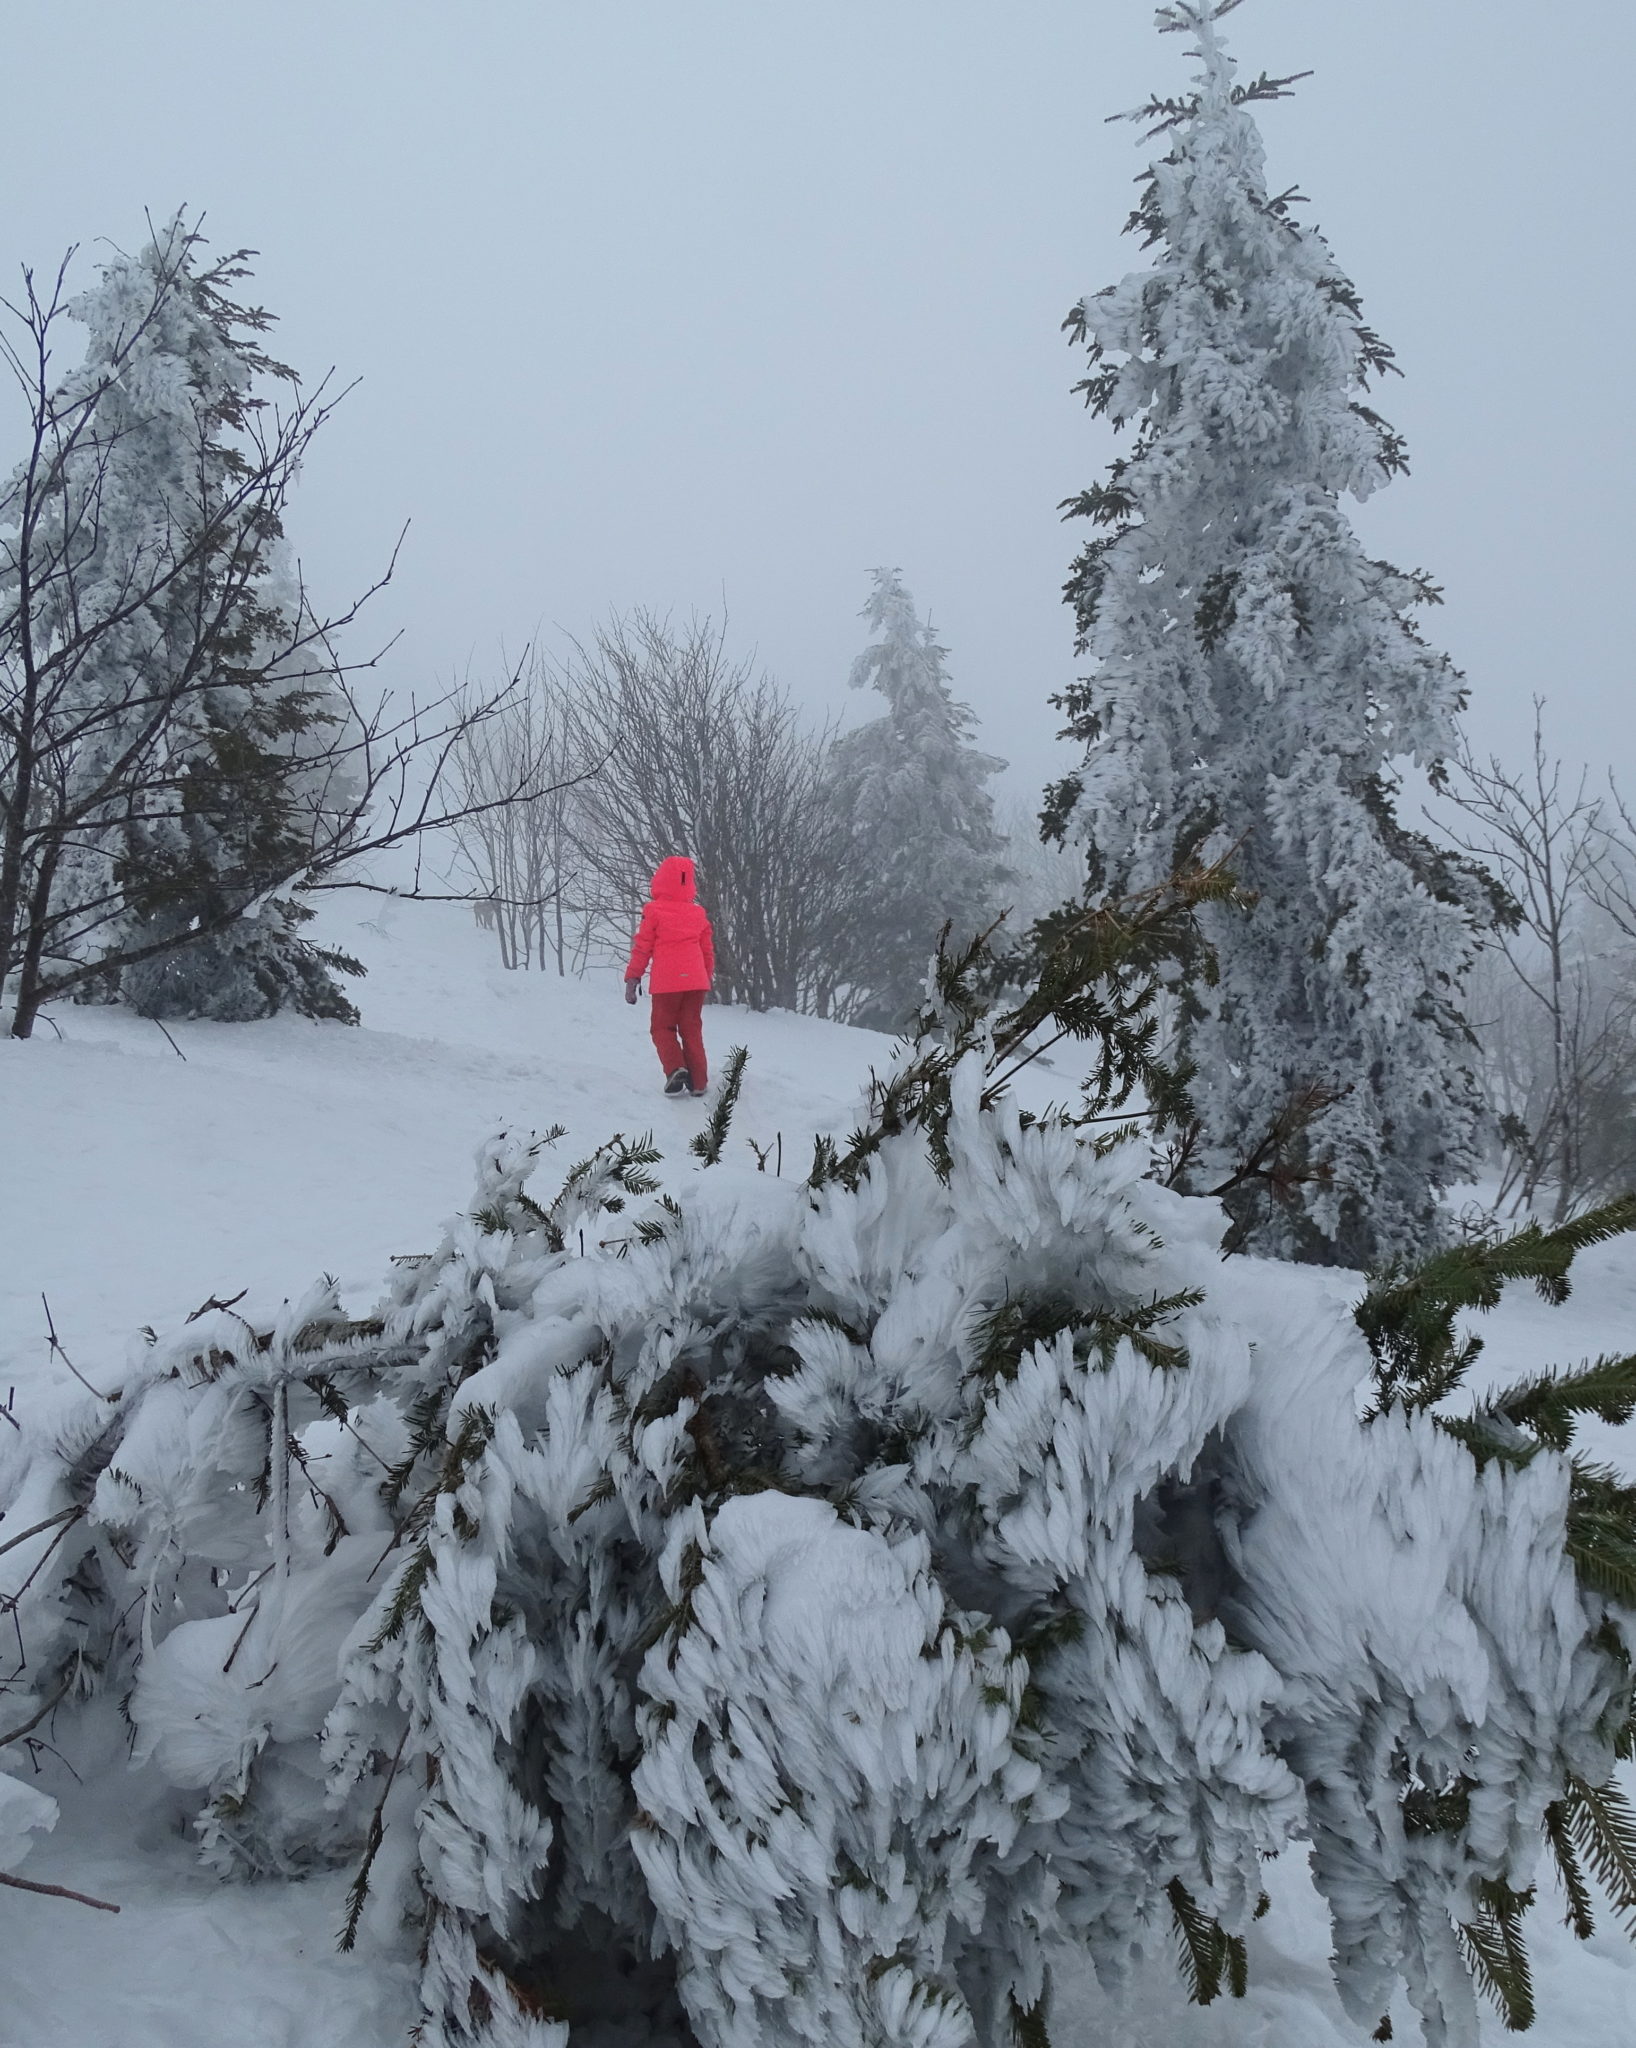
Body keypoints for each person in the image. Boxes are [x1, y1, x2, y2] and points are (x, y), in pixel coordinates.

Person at [624, 855, 714, 1095]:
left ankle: (675, 1068)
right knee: (691, 1029)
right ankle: (699, 1082)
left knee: (662, 1027)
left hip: (667, 983)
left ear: (661, 880)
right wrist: (706, 977)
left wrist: (633, 978)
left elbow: (643, 946)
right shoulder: (698, 914)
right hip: (695, 982)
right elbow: (707, 951)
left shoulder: (653, 911)